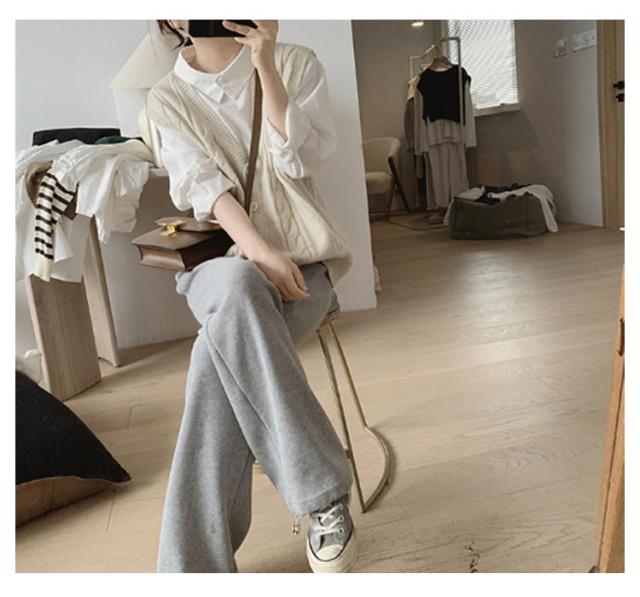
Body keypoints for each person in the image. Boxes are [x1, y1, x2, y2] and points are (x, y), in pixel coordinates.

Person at [146, 19, 357, 573]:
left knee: (213, 365)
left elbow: (301, 161)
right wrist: (261, 252)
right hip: (223, 266)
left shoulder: (296, 62)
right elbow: (204, 187)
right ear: (171, 17)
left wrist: (267, 67)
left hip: (305, 263)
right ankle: (324, 495)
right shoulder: (167, 97)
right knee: (239, 285)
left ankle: (190, 571)